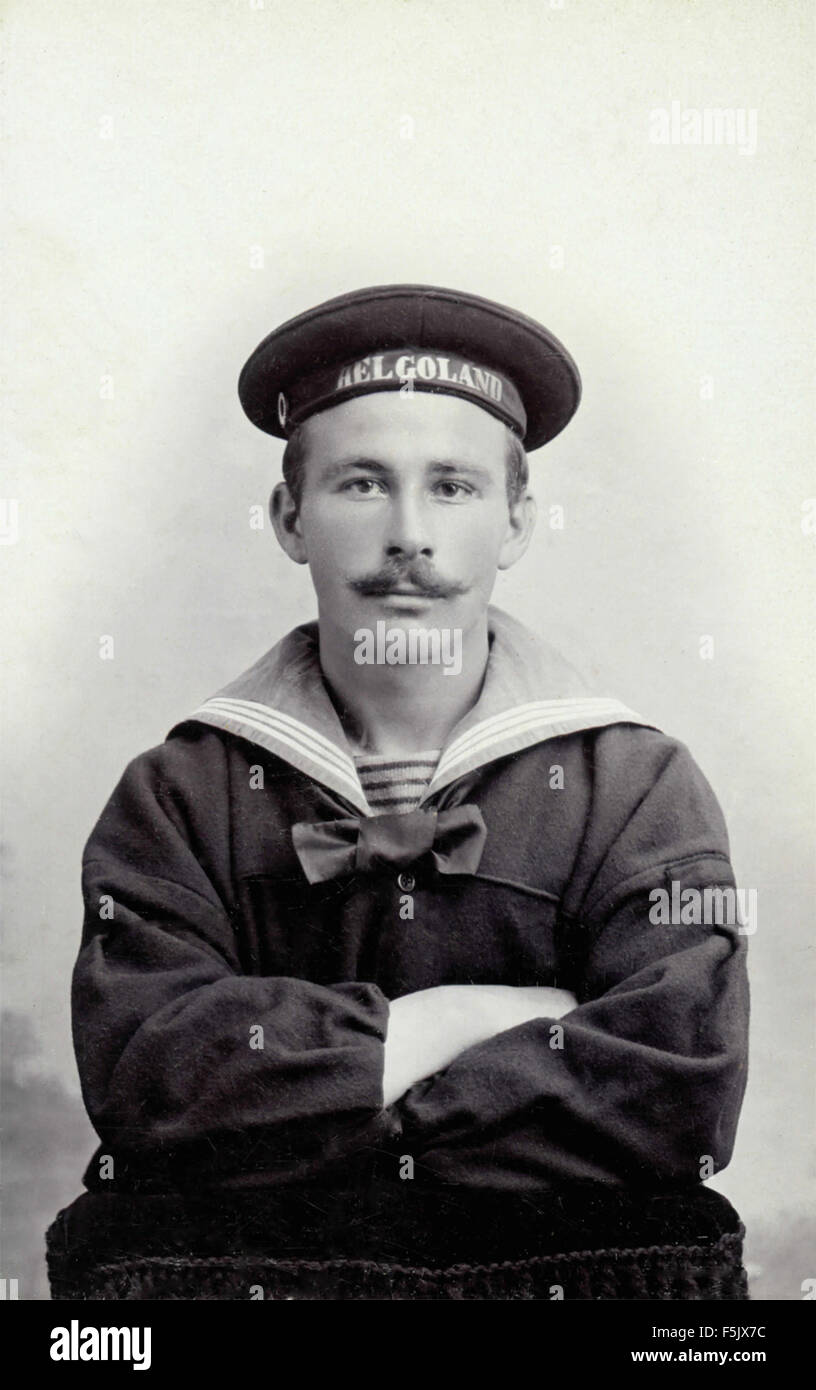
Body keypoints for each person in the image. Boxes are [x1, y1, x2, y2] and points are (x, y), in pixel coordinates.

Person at [70, 285, 749, 1286]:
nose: (408, 534)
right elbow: (149, 1085)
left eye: (453, 487)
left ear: (516, 520)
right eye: (360, 484)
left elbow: (676, 1093)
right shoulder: (177, 795)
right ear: (289, 517)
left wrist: (306, 1108)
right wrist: (451, 1025)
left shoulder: (639, 786)